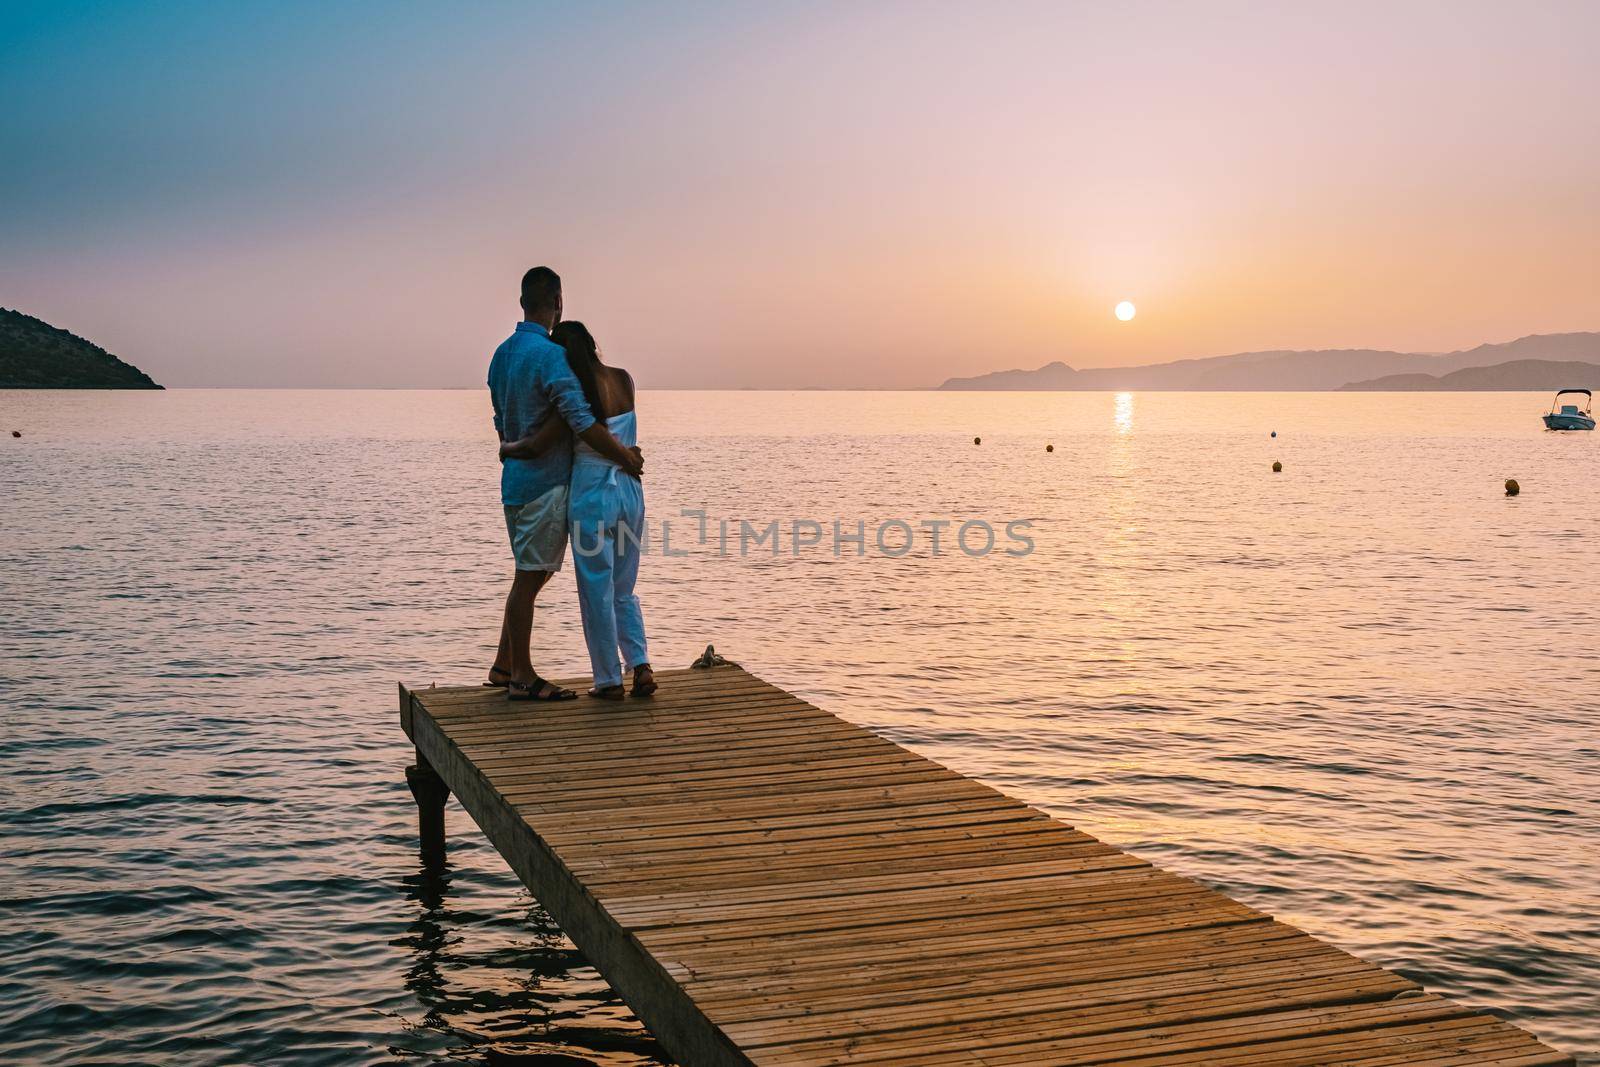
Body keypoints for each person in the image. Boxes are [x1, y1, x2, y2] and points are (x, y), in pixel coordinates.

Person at [486, 267, 643, 701]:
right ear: (558, 301)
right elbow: (579, 421)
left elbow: (500, 417)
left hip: (514, 485)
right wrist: (625, 455)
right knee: (530, 578)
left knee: (528, 572)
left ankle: (504, 665)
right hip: (547, 484)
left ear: (522, 302)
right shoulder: (551, 357)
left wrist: (509, 446)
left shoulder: (501, 354)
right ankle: (522, 676)